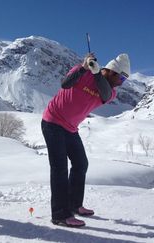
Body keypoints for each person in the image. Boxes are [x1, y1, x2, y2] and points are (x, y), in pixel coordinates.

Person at [41, 53, 130, 227]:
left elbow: (104, 94)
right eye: (121, 78)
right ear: (111, 71)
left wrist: (97, 73)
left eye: (124, 80)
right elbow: (65, 84)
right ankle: (59, 215)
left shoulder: (110, 92)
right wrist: (83, 68)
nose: (121, 83)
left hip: (70, 128)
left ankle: (75, 205)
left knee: (81, 164)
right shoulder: (82, 72)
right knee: (59, 168)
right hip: (52, 122)